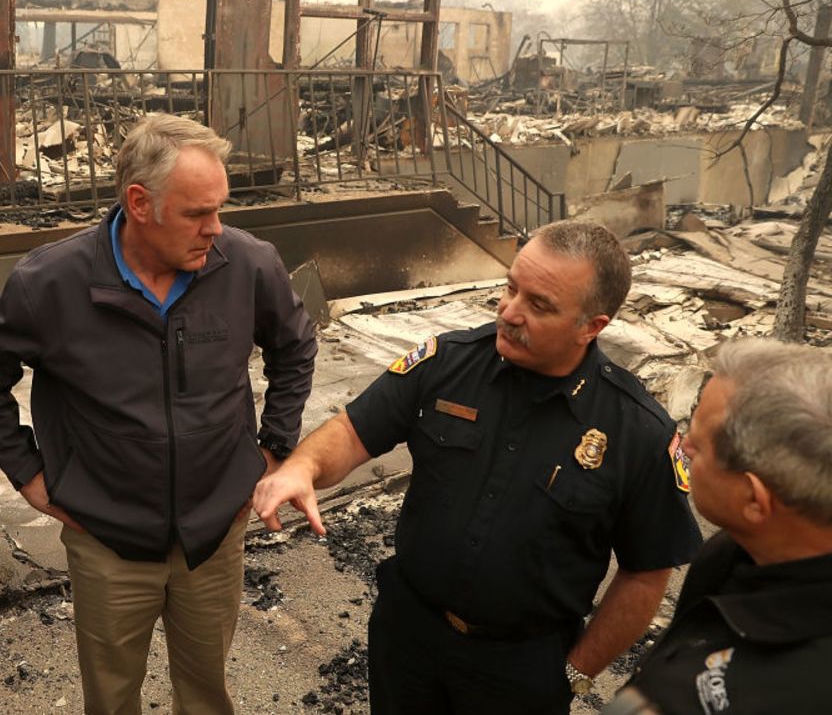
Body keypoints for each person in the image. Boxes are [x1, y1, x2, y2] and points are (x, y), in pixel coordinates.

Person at [254, 220, 702, 715]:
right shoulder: (449, 362)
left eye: (539, 305)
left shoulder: (637, 432)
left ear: (592, 326)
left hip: (521, 667)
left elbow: (645, 574)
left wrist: (575, 672)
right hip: (408, 637)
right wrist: (303, 467)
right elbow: (355, 430)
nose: (509, 312)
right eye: (510, 288)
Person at [0, 113, 317, 713]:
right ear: (140, 202)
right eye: (198, 213)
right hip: (107, 540)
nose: (215, 229)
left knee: (205, 692)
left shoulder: (249, 264)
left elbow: (296, 345)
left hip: (214, 531)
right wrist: (33, 478)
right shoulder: (51, 282)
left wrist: (274, 446)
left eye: (220, 209)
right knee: (112, 696)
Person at [606, 339, 832, 715]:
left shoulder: (801, 691)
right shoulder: (729, 552)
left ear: (753, 499)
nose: (686, 446)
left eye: (701, 443)